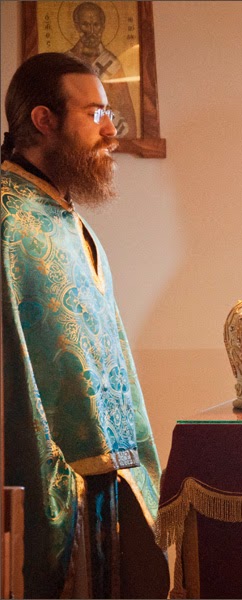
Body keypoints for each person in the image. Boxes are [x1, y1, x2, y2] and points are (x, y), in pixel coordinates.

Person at [1, 52, 166, 597]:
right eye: (95, 113)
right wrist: (45, 484)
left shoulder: (68, 220)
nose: (111, 131)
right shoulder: (8, 221)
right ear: (44, 120)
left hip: (104, 491)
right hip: (48, 492)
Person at [66, 1, 138, 138]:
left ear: (103, 26)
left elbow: (125, 106)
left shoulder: (112, 64)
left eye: (96, 25)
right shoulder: (66, 62)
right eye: (85, 24)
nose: (91, 31)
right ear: (77, 26)